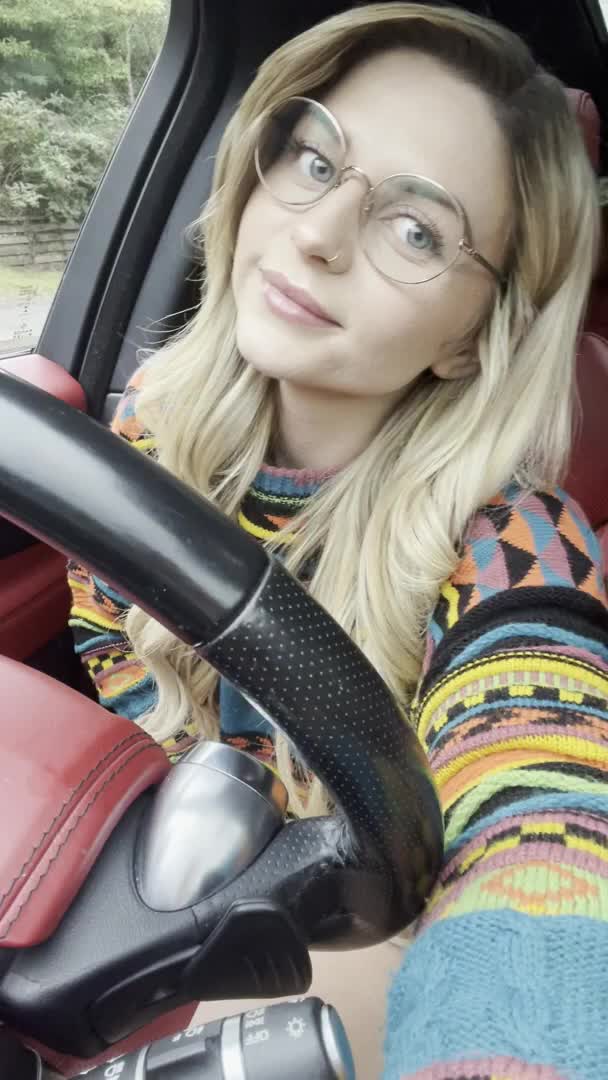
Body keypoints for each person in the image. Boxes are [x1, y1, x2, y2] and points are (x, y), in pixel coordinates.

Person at [68, 4, 608, 1077]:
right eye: (315, 162)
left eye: (417, 231)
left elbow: (545, 814)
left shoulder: (513, 544)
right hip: (174, 893)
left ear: (472, 338)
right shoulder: (141, 437)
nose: (317, 234)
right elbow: (108, 649)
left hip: (371, 943)